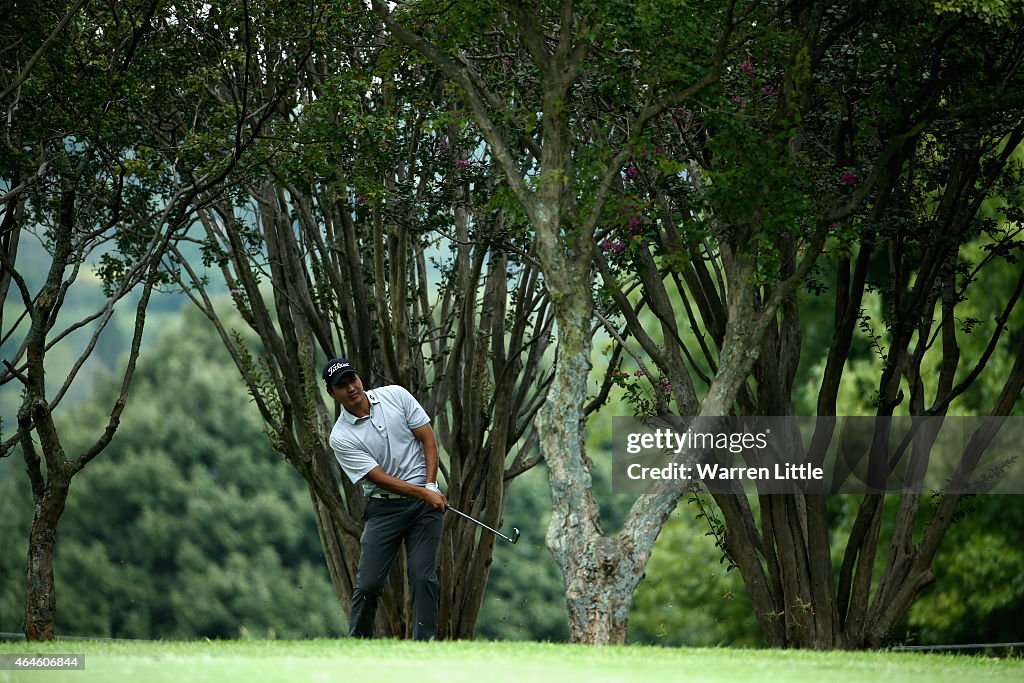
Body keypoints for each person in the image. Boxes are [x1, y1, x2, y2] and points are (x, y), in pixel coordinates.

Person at [322, 358, 448, 640]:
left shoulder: (395, 396)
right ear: (332, 394)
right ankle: (358, 644)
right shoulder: (341, 436)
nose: (351, 388)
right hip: (385, 509)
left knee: (422, 576)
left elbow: (428, 438)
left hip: (425, 504)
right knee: (368, 584)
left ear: (358, 378)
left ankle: (424, 647)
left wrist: (430, 484)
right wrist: (424, 492)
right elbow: (377, 477)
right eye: (341, 386)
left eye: (352, 379)